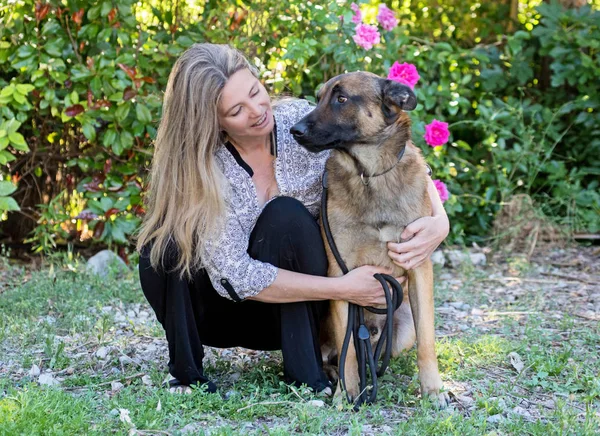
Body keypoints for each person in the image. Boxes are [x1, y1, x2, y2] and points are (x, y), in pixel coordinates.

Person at [135, 43, 449, 396]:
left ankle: (309, 376)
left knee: (285, 216)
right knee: (159, 245)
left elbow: (394, 159)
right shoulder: (205, 167)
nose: (256, 111)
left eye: (256, 92)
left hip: (304, 314)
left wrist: (440, 221)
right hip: (231, 310)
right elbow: (237, 275)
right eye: (237, 110)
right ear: (213, 122)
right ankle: (186, 375)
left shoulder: (300, 125)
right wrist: (344, 288)